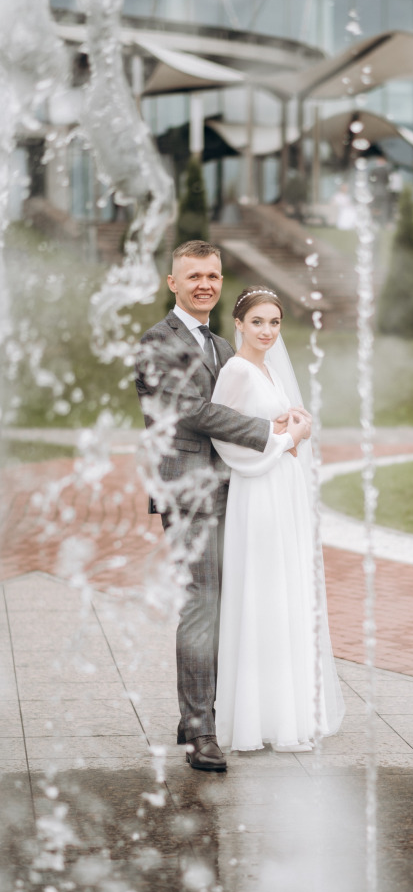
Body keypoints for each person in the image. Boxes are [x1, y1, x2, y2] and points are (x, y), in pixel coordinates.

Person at [135, 241, 308, 773]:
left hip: (234, 488)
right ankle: (199, 733)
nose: (205, 284)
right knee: (202, 604)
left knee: (228, 603)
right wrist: (269, 431)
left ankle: (202, 715)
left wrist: (282, 418)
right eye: (193, 276)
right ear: (173, 283)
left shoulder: (218, 344)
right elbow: (193, 412)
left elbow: (234, 400)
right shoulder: (156, 343)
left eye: (212, 275)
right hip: (189, 493)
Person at [210, 287, 344, 753]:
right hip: (258, 491)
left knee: (285, 594)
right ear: (239, 325)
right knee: (261, 594)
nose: (267, 331)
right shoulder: (236, 370)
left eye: (275, 322)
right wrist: (287, 440)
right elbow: (224, 439)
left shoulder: (269, 370)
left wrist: (295, 425)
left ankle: (285, 712)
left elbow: (275, 424)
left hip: (282, 489)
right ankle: (253, 718)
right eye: (258, 322)